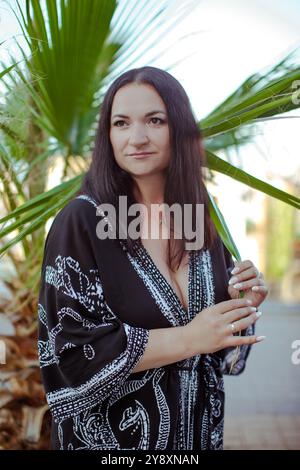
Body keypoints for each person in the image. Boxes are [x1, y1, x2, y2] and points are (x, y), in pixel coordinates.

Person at [37, 66, 268, 450]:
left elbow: (220, 359)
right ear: (107, 135)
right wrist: (189, 338)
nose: (137, 138)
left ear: (179, 128)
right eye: (122, 123)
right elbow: (72, 355)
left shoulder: (199, 217)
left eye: (155, 120)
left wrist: (240, 306)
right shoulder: (83, 220)